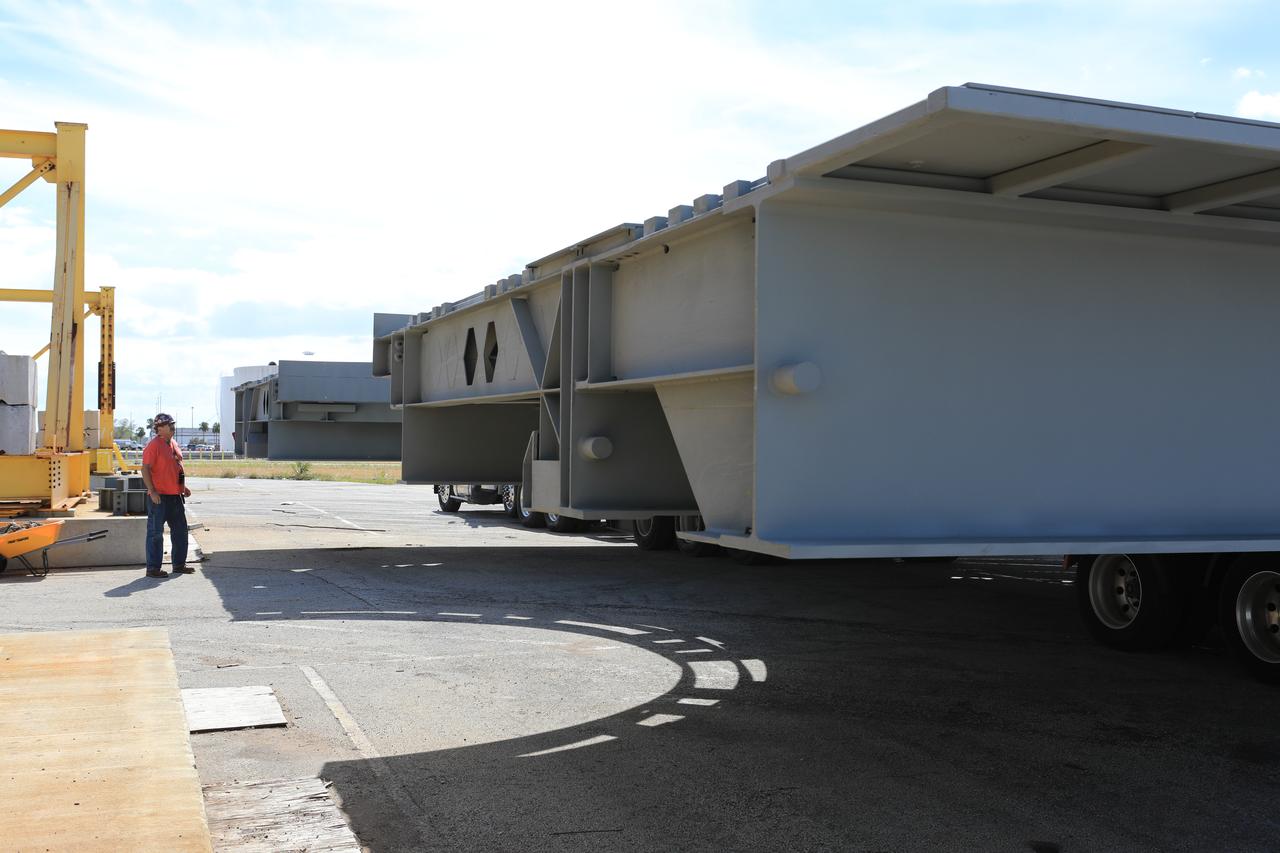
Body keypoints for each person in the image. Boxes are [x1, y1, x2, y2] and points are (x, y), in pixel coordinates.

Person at [140, 412, 193, 578]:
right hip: (159, 497)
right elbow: (145, 469)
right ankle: (153, 568)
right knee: (155, 533)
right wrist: (153, 491)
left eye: (172, 424)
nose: (172, 427)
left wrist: (183, 487)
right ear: (159, 428)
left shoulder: (173, 443)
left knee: (180, 531)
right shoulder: (153, 445)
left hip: (175, 496)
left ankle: (179, 565)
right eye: (169, 424)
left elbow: (174, 468)